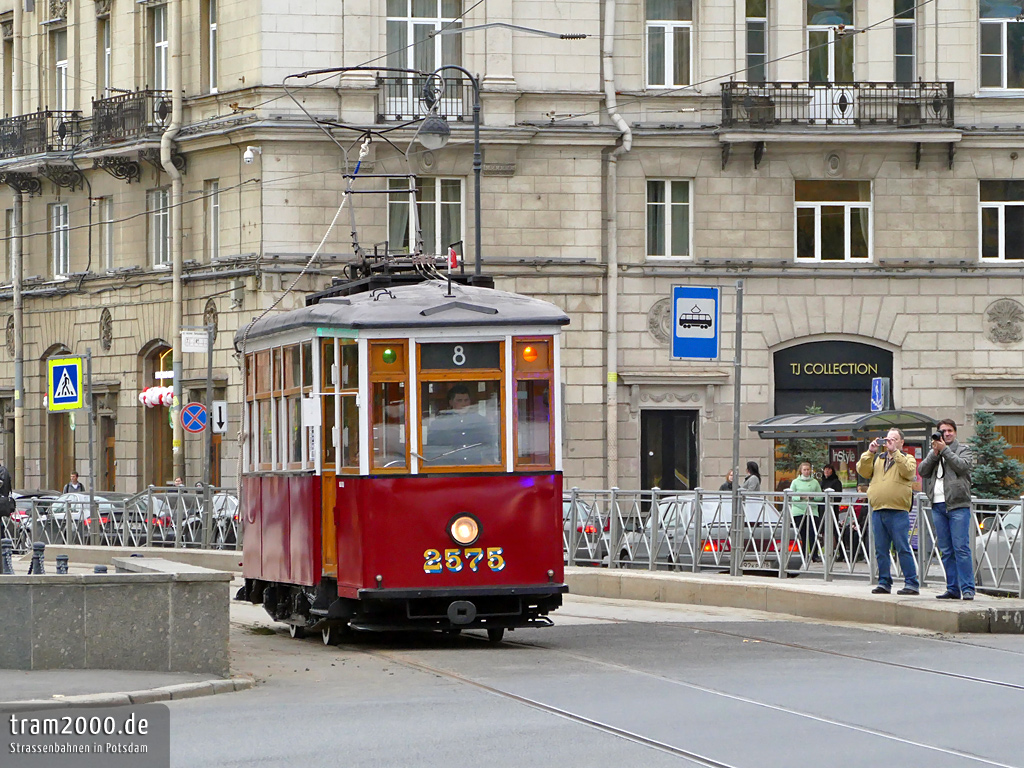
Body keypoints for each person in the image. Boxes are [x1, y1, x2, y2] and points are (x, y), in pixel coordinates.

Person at [856, 428, 919, 596]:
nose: (889, 442)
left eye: (894, 439)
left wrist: (895, 453)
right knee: (881, 549)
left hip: (898, 511)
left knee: (902, 547)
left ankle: (912, 583)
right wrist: (870, 452)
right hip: (878, 509)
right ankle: (884, 582)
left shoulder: (907, 458)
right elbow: (863, 471)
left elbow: (908, 471)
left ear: (901, 442)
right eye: (887, 439)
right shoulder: (878, 459)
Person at [919, 419, 976, 601]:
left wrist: (945, 450)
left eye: (950, 430)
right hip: (938, 505)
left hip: (958, 505)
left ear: (955, 432)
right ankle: (952, 589)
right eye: (943, 431)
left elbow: (962, 466)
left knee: (961, 548)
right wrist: (934, 454)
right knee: (946, 550)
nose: (947, 434)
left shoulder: (963, 449)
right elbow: (922, 471)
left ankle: (967, 589)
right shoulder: (935, 452)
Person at [425, 384, 496, 466]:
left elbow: (489, 445)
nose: (463, 404)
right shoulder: (439, 423)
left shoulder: (480, 421)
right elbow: (432, 449)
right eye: (459, 400)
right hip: (447, 469)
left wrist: (487, 460)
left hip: (475, 468)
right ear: (451, 402)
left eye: (466, 400)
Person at [789, 462, 823, 563]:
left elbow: (820, 496)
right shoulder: (795, 482)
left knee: (813, 533)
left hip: (812, 510)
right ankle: (803, 555)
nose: (807, 472)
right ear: (801, 471)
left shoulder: (815, 482)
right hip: (799, 511)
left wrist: (812, 497)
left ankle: (814, 554)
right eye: (805, 470)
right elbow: (790, 495)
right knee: (802, 534)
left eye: (808, 470)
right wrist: (801, 497)